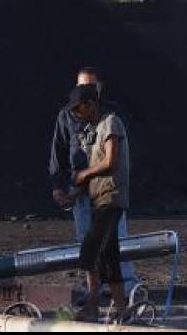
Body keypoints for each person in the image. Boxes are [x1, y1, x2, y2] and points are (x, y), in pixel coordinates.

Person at [49, 67, 139, 294]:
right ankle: (95, 291)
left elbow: (114, 158)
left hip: (107, 190)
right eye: (82, 87)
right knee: (87, 241)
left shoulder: (111, 117)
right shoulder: (66, 115)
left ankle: (125, 290)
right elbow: (58, 151)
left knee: (115, 240)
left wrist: (87, 174)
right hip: (80, 191)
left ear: (100, 88)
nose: (86, 92)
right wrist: (58, 185)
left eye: (91, 87)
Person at [69, 84, 131, 323]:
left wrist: (84, 175)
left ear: (91, 104)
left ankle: (92, 305)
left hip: (111, 197)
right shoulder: (90, 130)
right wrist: (73, 195)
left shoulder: (110, 123)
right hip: (98, 199)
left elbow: (110, 161)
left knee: (89, 252)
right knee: (109, 256)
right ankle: (122, 310)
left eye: (79, 108)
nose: (76, 113)